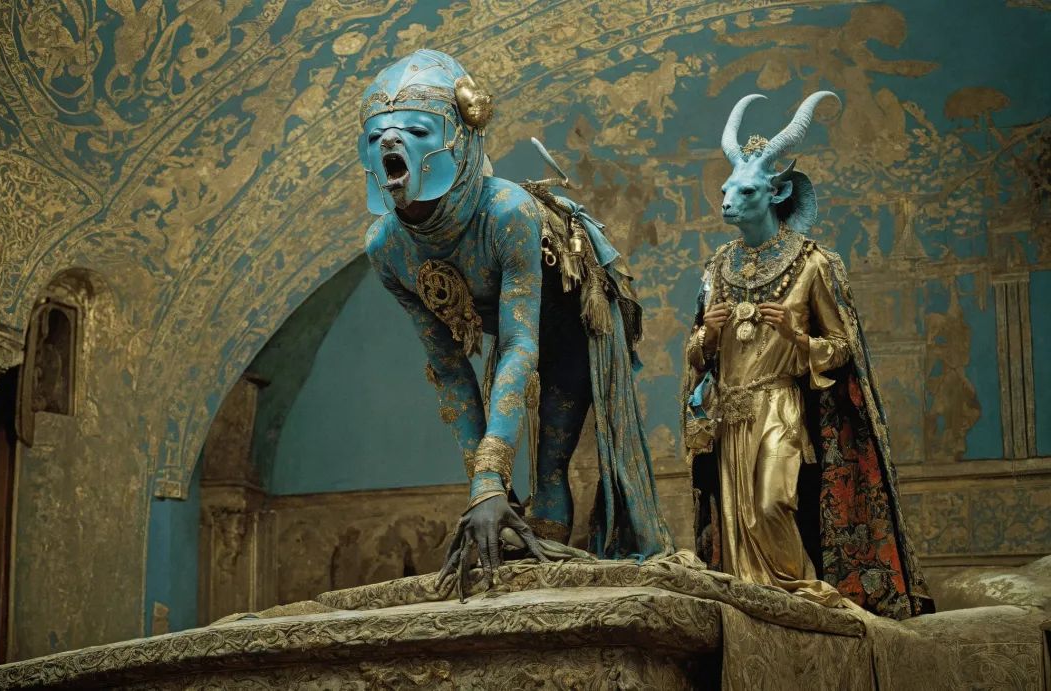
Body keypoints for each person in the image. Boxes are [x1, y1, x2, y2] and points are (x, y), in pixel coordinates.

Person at [360, 50, 672, 593]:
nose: (390, 140)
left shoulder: (506, 212)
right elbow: (449, 368)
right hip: (513, 334)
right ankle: (517, 554)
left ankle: (546, 574)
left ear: (458, 139)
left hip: (572, 325)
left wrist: (489, 477)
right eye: (377, 135)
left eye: (416, 130)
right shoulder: (387, 247)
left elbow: (520, 343)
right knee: (504, 489)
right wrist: (485, 489)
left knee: (551, 467)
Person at [682, 91, 933, 618]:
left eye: (744, 192)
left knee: (772, 504)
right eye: (726, 191)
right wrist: (707, 335)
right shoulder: (718, 267)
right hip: (729, 415)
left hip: (780, 405)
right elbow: (698, 356)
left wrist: (798, 338)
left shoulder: (814, 264)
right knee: (736, 522)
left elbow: (843, 348)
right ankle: (759, 608)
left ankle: (804, 598)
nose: (727, 201)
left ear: (776, 192)